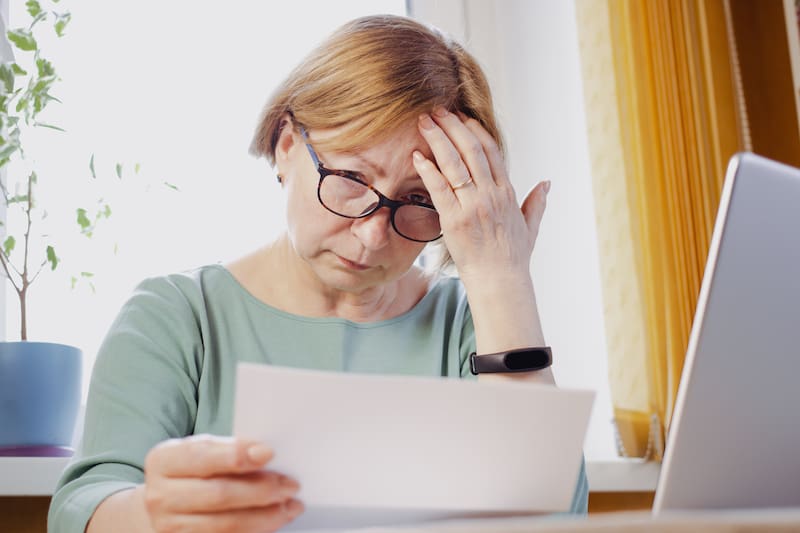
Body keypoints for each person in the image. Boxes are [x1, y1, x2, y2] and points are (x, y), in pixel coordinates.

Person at [48, 14, 588, 533]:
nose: (374, 234)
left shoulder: (474, 324)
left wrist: (503, 281)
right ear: (286, 146)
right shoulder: (177, 316)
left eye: (419, 198)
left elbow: (555, 523)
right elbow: (83, 507)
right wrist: (155, 515)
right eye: (352, 177)